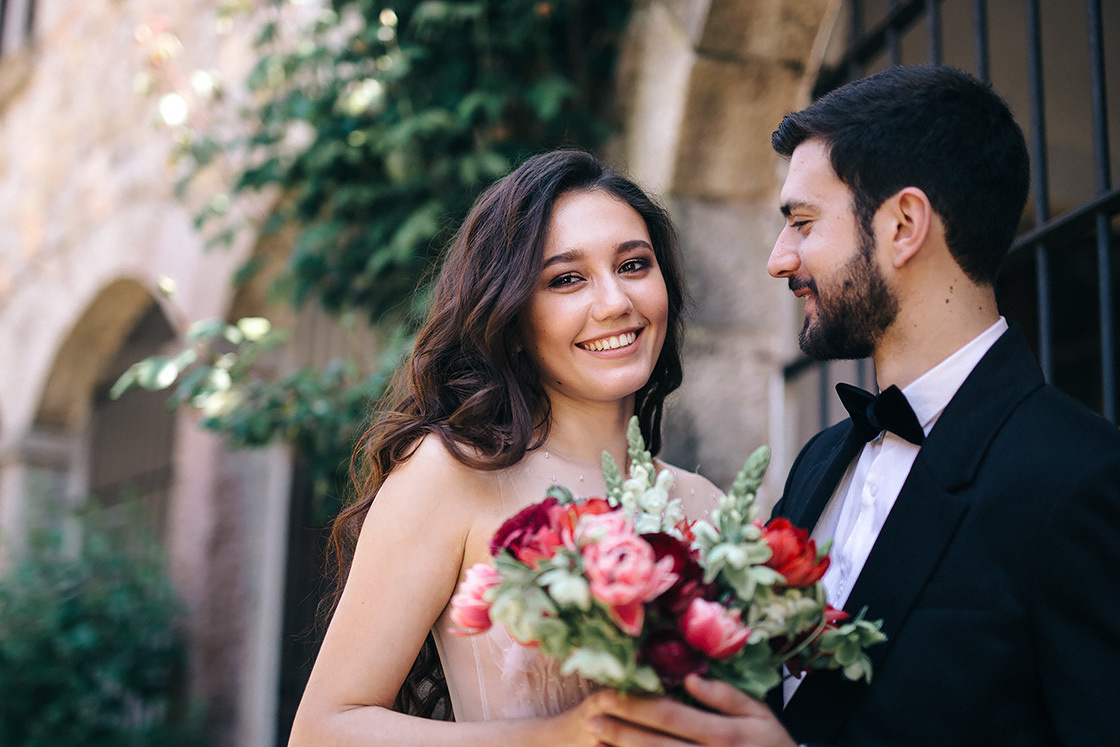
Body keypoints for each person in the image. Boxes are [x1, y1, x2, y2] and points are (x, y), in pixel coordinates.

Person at [585, 64, 1120, 746]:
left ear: (903, 225)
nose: (780, 260)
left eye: (803, 223)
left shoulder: (1081, 478)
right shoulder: (818, 462)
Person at [287, 149, 722, 745]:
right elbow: (323, 731)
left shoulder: (709, 507)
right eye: (567, 279)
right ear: (513, 316)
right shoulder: (452, 476)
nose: (616, 302)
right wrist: (557, 737)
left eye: (634, 265)